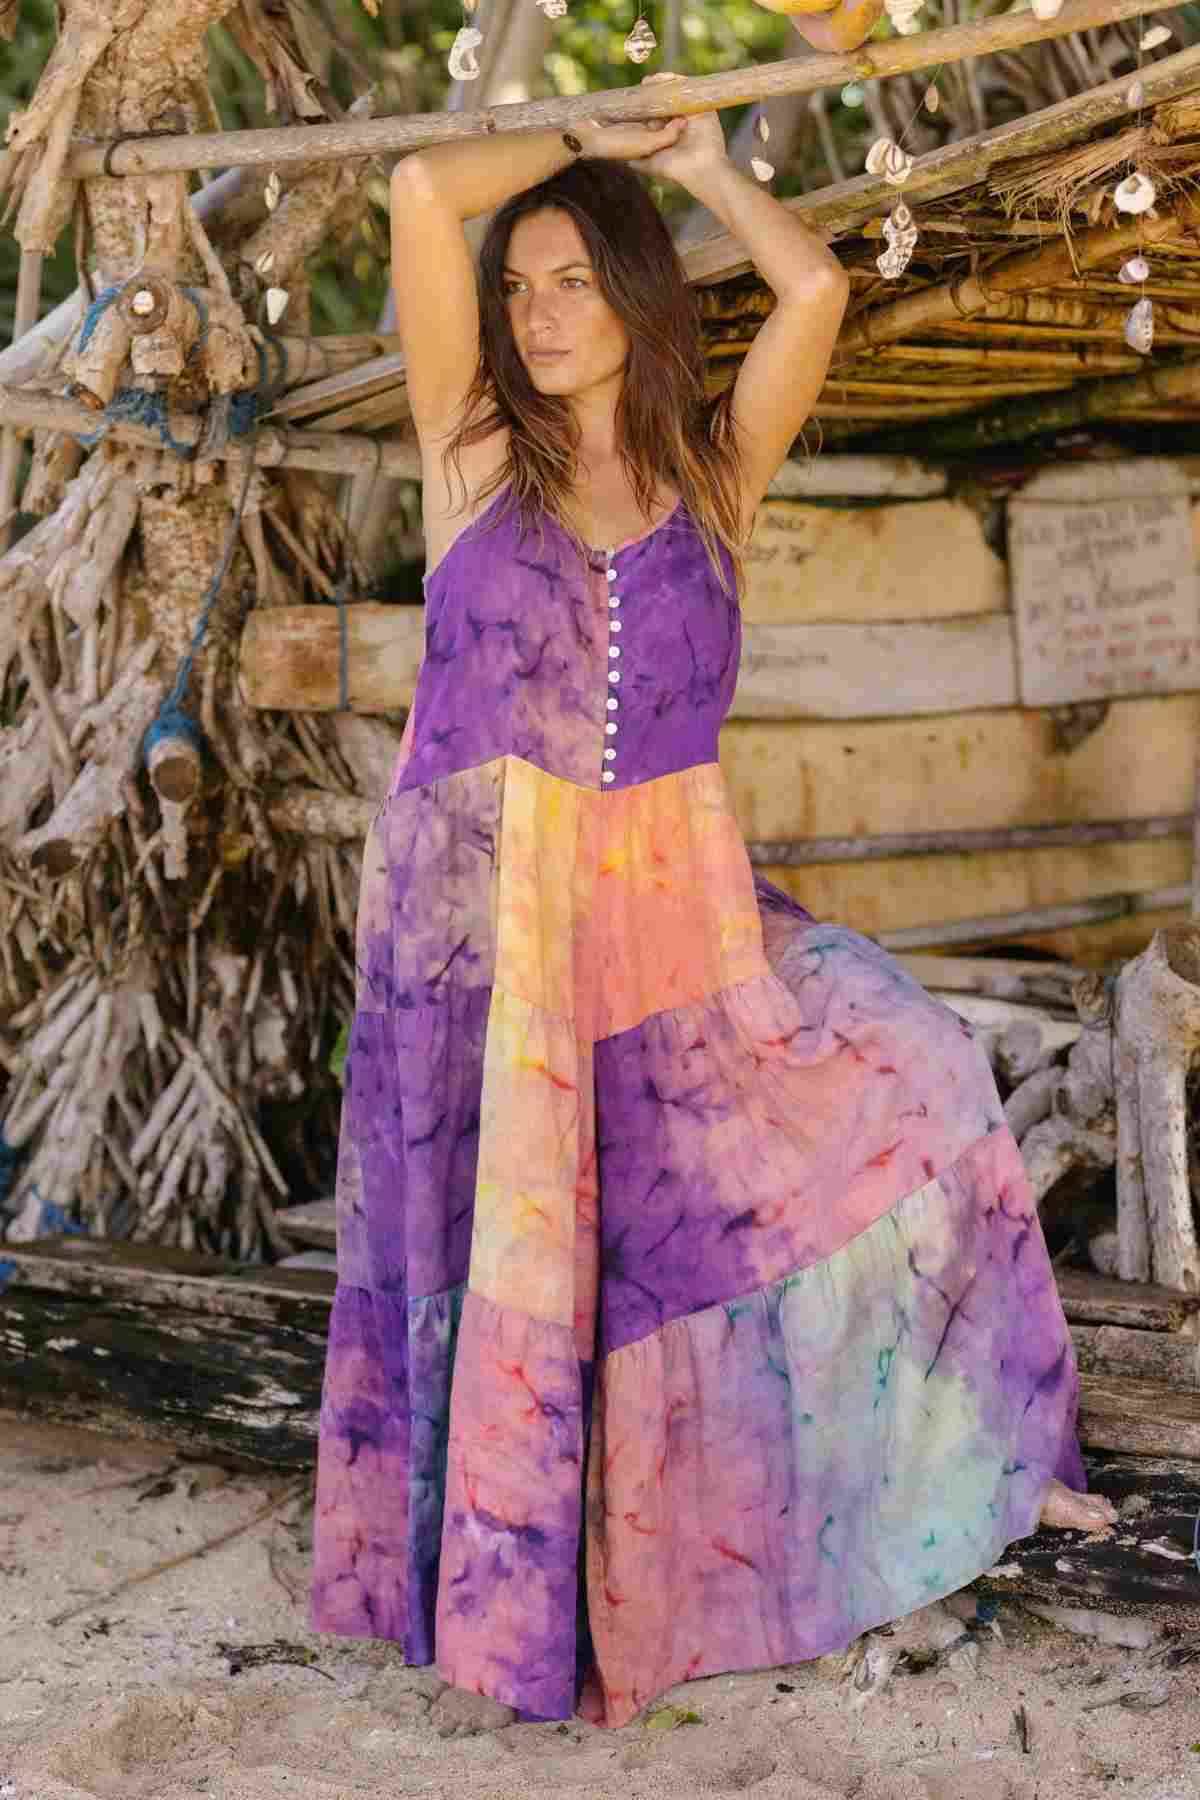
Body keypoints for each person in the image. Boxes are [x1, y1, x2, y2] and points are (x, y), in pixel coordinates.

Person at [310, 85, 1116, 1736]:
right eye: (519, 285)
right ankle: (506, 1600)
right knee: (522, 1273)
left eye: (572, 284)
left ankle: (987, 1464)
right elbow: (409, 186)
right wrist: (578, 132)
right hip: (498, 941)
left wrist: (695, 169)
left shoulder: (712, 480)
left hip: (679, 928)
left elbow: (814, 293)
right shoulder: (471, 453)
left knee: (906, 1087)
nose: (535, 316)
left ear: (635, 298)